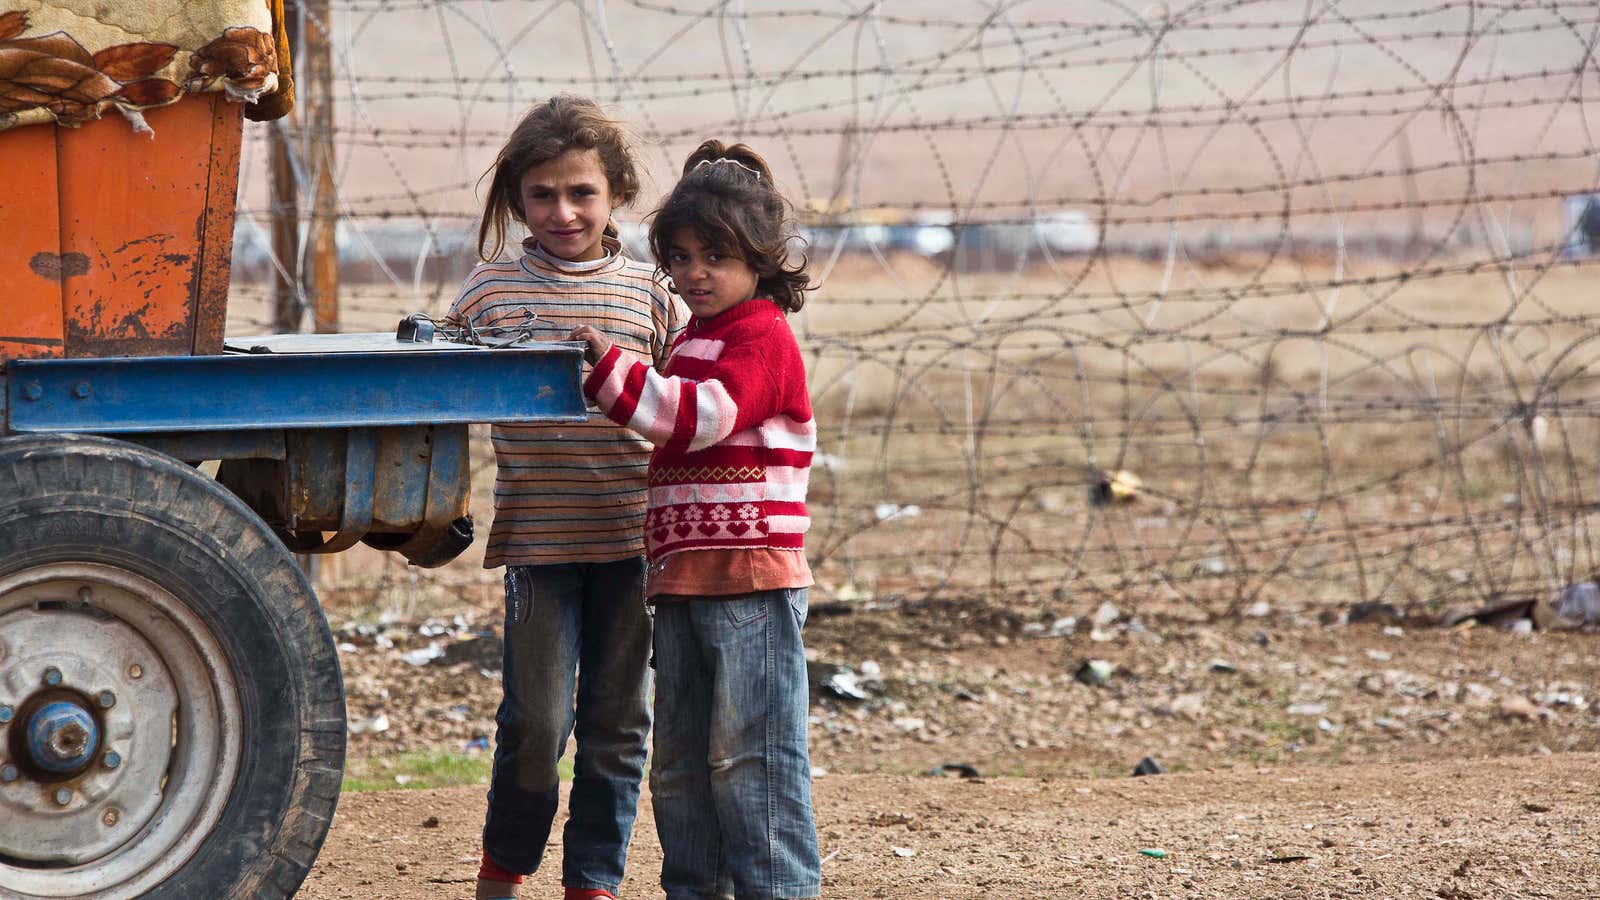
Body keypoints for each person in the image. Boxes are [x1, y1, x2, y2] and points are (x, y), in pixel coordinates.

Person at [568, 139, 822, 900]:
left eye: (715, 254)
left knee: (755, 762)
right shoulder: (691, 339)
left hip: (750, 581)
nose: (693, 274)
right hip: (683, 584)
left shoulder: (761, 336)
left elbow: (701, 419)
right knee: (680, 766)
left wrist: (611, 372)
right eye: (679, 257)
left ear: (762, 257)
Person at [452, 94, 686, 900]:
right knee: (536, 728)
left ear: (614, 193)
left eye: (581, 193)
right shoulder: (488, 294)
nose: (562, 211)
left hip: (632, 545)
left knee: (619, 730)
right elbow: (447, 398)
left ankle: (594, 884)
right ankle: (503, 871)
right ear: (519, 197)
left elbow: (682, 407)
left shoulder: (650, 294)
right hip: (539, 548)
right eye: (543, 194)